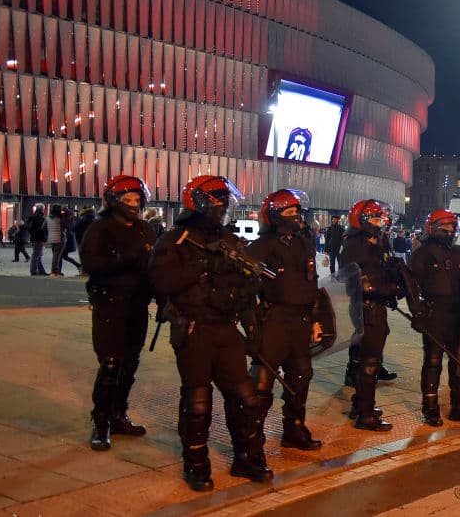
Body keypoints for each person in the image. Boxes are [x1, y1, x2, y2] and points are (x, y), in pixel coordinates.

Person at [151, 175, 272, 491]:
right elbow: (162, 284)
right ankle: (196, 465)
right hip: (193, 330)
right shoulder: (174, 240)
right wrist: (204, 265)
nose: (224, 210)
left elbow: (245, 294)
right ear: (202, 203)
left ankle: (247, 458)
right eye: (219, 204)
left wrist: (253, 327)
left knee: (246, 397)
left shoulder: (230, 242)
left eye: (226, 204)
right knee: (198, 401)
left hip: (226, 329)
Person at [80, 175, 158, 451]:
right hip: (110, 303)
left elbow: (155, 268)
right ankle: (101, 422)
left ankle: (118, 414)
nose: (134, 205)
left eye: (137, 200)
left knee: (129, 364)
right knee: (110, 363)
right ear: (114, 202)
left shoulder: (146, 230)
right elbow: (90, 263)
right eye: (128, 200)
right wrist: (127, 260)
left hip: (137, 304)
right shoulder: (100, 228)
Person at [245, 189, 322, 450]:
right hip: (274, 319)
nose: (296, 216)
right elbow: (245, 286)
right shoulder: (262, 246)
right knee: (262, 381)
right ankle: (253, 437)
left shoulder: (303, 243)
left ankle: (295, 428)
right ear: (275, 216)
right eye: (289, 212)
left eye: (297, 212)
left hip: (300, 319)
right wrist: (252, 321)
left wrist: (316, 318)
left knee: (301, 376)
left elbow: (312, 283)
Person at [411, 209, 460, 425]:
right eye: (446, 226)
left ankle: (459, 404)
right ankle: (430, 406)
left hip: (458, 311)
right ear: (434, 228)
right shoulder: (423, 253)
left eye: (452, 226)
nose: (450, 230)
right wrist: (417, 312)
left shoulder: (459, 252)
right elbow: (411, 286)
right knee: (433, 361)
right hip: (435, 312)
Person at [339, 199, 398, 431]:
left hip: (375, 305)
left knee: (369, 356)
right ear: (361, 221)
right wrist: (386, 289)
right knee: (370, 361)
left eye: (379, 219)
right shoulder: (355, 244)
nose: (379, 223)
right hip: (367, 306)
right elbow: (357, 280)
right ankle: (365, 414)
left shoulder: (374, 242)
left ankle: (360, 403)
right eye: (374, 219)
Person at [27, 203, 49, 276]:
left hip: (33, 237)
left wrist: (32, 233)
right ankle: (34, 270)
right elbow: (42, 230)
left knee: (38, 254)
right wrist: (45, 239)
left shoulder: (31, 217)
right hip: (39, 238)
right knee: (36, 254)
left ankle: (41, 270)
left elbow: (28, 227)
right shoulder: (42, 218)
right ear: (42, 209)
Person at [48, 204, 64, 276]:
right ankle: (54, 271)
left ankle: (54, 270)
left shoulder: (48, 218)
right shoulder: (60, 219)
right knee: (57, 255)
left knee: (55, 254)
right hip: (59, 238)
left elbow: (43, 228)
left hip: (51, 238)